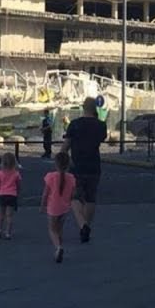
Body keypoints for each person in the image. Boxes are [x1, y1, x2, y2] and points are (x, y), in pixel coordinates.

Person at [60, 97, 107, 243]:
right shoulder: (101, 125)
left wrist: (61, 163)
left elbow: (66, 146)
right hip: (94, 165)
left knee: (74, 197)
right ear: (95, 108)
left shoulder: (74, 124)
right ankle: (86, 226)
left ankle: (82, 225)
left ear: (83, 107)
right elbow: (101, 139)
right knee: (90, 198)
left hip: (76, 165)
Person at [41, 152, 75, 263]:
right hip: (65, 207)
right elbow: (72, 194)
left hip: (53, 206)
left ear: (56, 164)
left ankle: (58, 247)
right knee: (59, 229)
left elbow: (46, 193)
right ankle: (59, 246)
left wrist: (42, 205)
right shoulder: (71, 178)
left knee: (52, 229)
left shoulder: (50, 176)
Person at [0, 152, 21, 239]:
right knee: (9, 215)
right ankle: (8, 233)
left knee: (1, 213)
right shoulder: (16, 173)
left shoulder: (0, 173)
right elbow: (18, 185)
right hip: (12, 194)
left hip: (2, 194)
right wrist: (18, 193)